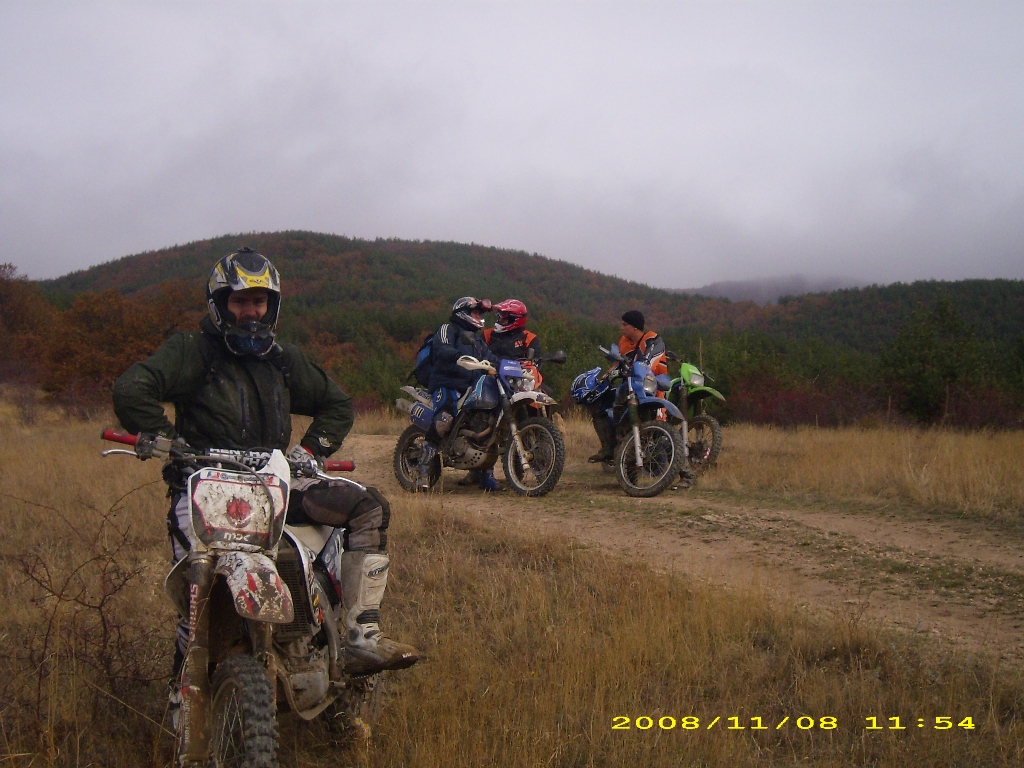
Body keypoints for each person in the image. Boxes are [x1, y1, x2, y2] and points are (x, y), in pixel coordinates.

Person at [112, 247, 419, 718]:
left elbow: (337, 403)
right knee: (198, 593)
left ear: (272, 307)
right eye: (239, 301)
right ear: (220, 304)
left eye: (259, 302)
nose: (250, 311)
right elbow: (132, 387)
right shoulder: (193, 351)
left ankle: (360, 635)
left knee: (368, 506)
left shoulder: (282, 359)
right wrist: (166, 438)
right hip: (206, 486)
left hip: (274, 485)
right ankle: (183, 694)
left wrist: (310, 451)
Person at [417, 296, 498, 491]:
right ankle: (423, 469)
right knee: (444, 419)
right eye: (475, 313)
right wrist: (458, 355)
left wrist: (510, 367)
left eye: (479, 314)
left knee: (485, 422)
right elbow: (442, 349)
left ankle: (485, 473)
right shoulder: (448, 329)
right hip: (447, 383)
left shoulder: (477, 340)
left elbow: (491, 358)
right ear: (463, 312)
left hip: (472, 387)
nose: (478, 317)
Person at [586, 309, 668, 463]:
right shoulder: (623, 341)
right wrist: (606, 376)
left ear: (635, 327)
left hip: (652, 386)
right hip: (628, 386)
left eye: (625, 324)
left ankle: (678, 463)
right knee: (598, 404)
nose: (621, 327)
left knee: (660, 427)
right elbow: (617, 362)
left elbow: (649, 361)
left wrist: (639, 367)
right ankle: (609, 447)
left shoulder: (652, 339)